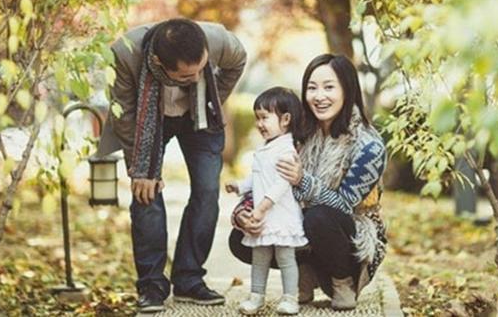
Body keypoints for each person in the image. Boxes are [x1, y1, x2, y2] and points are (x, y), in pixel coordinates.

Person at [97, 18, 247, 313]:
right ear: (158, 62)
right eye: (186, 76)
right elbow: (125, 115)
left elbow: (238, 62)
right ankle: (151, 285)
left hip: (200, 116)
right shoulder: (126, 54)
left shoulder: (218, 41)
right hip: (147, 121)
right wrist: (141, 169)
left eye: (200, 70)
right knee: (146, 193)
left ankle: (189, 279)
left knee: (206, 191)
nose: (195, 77)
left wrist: (211, 100)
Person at [229, 54, 387, 311]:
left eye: (329, 87)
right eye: (312, 87)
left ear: (348, 89)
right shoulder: (296, 134)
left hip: (349, 243)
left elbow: (345, 206)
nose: (319, 96)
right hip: (302, 230)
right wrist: (244, 213)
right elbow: (267, 179)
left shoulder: (368, 145)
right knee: (240, 238)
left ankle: (342, 282)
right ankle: (303, 272)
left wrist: (303, 180)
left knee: (319, 216)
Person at [225, 87, 307, 315]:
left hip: (279, 215)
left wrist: (261, 208)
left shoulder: (286, 150)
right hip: (262, 217)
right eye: (257, 118)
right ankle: (256, 296)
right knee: (259, 258)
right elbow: (257, 177)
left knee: (286, 258)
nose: (259, 124)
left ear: (285, 120)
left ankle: (290, 297)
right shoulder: (267, 147)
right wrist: (241, 186)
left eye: (264, 118)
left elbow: (282, 184)